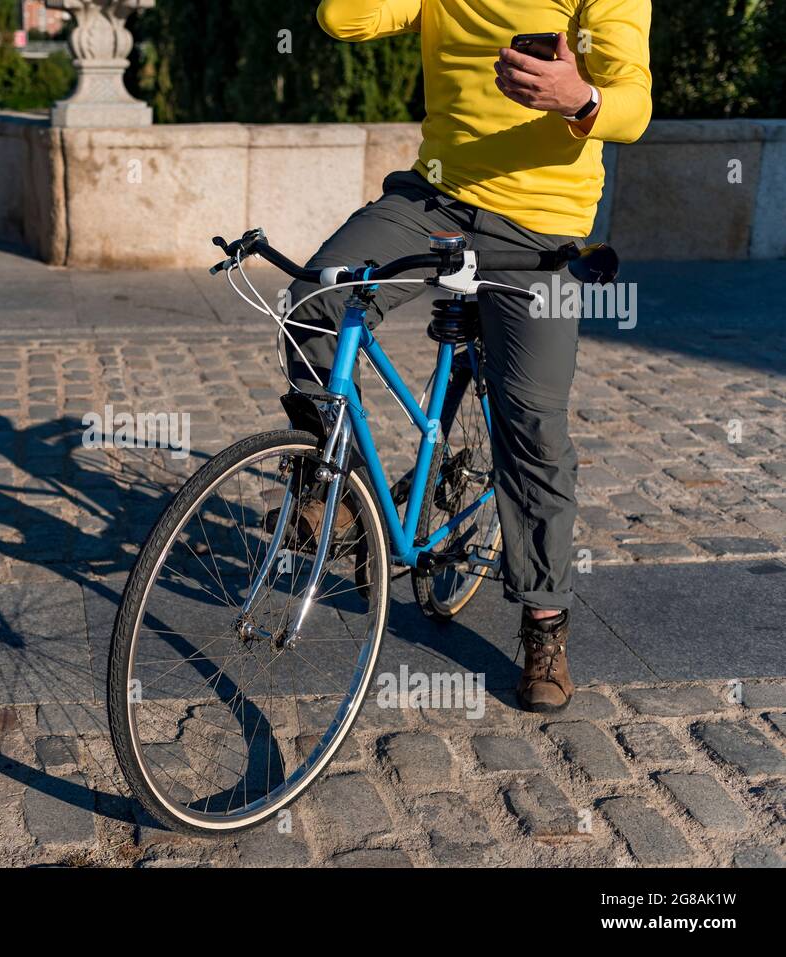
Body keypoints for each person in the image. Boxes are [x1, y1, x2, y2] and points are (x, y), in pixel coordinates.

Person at [287, 0, 652, 712]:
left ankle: (545, 620)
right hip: (437, 198)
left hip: (541, 225)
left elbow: (631, 103)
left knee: (533, 426)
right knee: (312, 304)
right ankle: (345, 491)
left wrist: (581, 98)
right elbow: (341, 19)